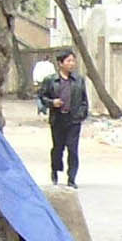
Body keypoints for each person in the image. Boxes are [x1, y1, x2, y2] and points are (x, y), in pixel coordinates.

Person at [37, 49, 88, 187]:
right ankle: (55, 170)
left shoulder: (79, 80)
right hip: (58, 119)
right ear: (60, 63)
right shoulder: (50, 80)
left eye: (73, 60)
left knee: (73, 149)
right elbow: (42, 97)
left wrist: (81, 114)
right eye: (68, 61)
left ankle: (71, 178)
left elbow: (84, 100)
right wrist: (52, 103)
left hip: (73, 120)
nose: (72, 64)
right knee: (58, 148)